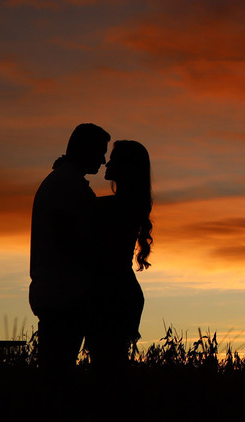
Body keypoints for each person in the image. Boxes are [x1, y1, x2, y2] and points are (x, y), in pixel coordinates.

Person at [30, 123, 110, 371]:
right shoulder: (67, 187)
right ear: (85, 150)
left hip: (60, 298)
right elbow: (71, 241)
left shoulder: (65, 183)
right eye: (100, 152)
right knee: (57, 375)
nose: (104, 160)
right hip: (63, 299)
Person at [85, 139, 153, 369]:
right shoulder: (127, 205)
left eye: (112, 160)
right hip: (117, 294)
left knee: (107, 367)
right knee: (109, 365)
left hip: (113, 297)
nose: (106, 163)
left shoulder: (119, 207)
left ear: (126, 167)